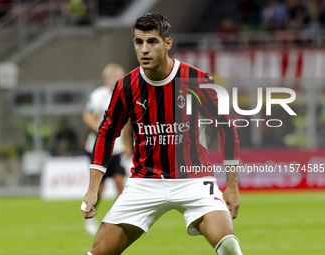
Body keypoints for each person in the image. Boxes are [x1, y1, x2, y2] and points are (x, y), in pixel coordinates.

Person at [81, 12, 243, 255]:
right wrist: (93, 187)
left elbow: (227, 128)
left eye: (152, 41)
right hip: (144, 182)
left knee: (229, 245)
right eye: (139, 42)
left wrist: (232, 184)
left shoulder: (197, 80)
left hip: (194, 180)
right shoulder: (126, 86)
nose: (144, 49)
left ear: (168, 43)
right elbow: (106, 133)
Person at [82, 63, 132, 236]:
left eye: (120, 76)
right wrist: (101, 131)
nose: (116, 80)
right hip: (98, 147)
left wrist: (127, 144)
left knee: (121, 183)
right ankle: (89, 216)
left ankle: (119, 220)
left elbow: (126, 123)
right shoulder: (98, 95)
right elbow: (87, 114)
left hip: (117, 149)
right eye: (113, 76)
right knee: (100, 188)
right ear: (106, 79)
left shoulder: (125, 96)